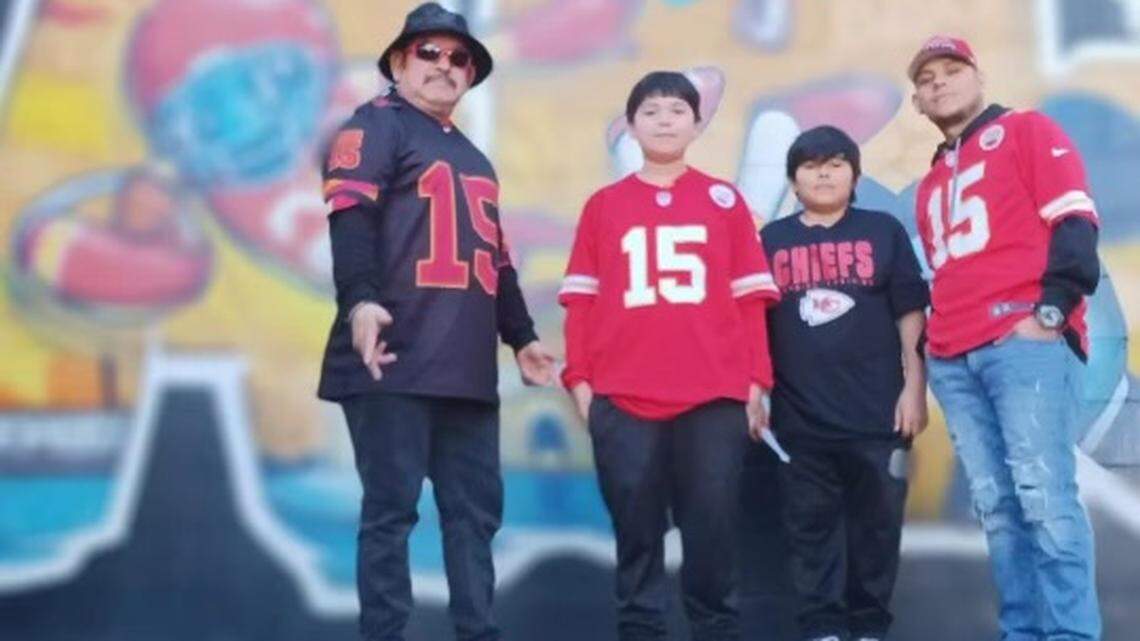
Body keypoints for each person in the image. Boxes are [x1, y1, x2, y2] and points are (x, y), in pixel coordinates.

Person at [317, 4, 555, 640]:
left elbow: (495, 259)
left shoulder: (474, 155)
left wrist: (523, 336)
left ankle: (478, 634)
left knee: (475, 517)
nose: (445, 66)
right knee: (391, 514)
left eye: (459, 58)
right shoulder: (373, 126)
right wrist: (361, 300)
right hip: (391, 355)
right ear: (398, 62)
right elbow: (351, 218)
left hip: (466, 369)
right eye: (430, 52)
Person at [559, 70, 780, 641]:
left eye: (676, 110)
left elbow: (750, 300)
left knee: (712, 530)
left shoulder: (724, 200)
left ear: (698, 123)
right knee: (636, 533)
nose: (663, 120)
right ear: (632, 125)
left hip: (713, 395)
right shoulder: (603, 206)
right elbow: (580, 303)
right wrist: (581, 382)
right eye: (651, 111)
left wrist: (757, 381)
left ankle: (715, 631)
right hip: (623, 396)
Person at [909, 35, 1102, 640]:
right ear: (917, 101)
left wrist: (1049, 313)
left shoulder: (1026, 130)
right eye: (927, 78)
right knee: (996, 511)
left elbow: (1074, 220)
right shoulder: (932, 180)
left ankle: (1072, 635)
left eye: (952, 69)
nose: (940, 82)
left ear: (978, 76)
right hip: (953, 356)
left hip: (1021, 341)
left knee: (1044, 499)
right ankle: (1021, 633)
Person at [759, 125, 929, 641]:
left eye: (836, 163)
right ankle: (823, 629)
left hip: (878, 415)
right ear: (793, 179)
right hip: (798, 419)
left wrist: (914, 386)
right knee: (811, 533)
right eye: (811, 165)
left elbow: (910, 310)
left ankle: (869, 627)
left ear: (854, 174)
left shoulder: (883, 230)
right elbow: (750, 324)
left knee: (876, 530)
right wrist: (757, 394)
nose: (825, 173)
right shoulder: (771, 240)